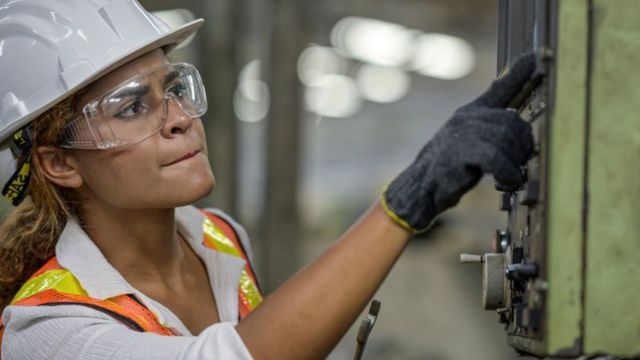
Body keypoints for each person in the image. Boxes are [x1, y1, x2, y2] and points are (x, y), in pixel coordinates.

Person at [0, 0, 535, 359]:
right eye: (132, 106)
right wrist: (405, 202)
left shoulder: (220, 238)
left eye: (176, 88)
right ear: (60, 164)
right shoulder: (47, 330)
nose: (181, 117)